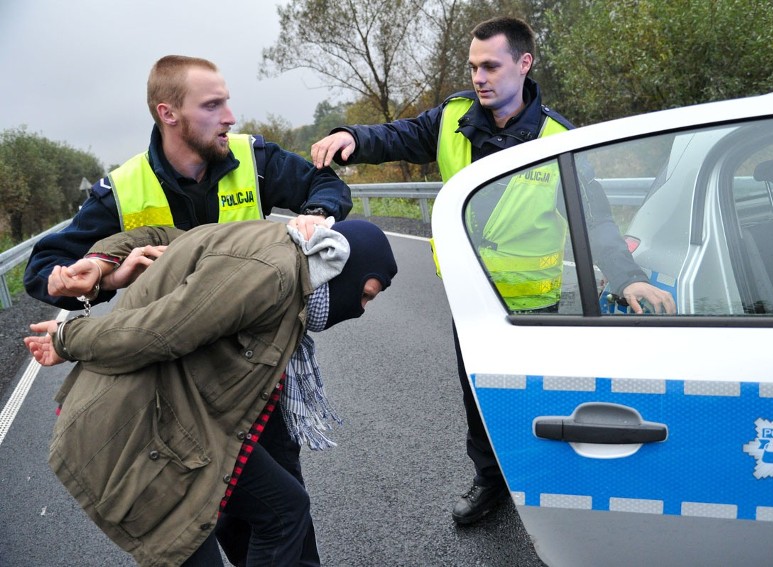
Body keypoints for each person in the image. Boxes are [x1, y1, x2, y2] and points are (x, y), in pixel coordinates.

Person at [311, 17, 676, 525]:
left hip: (535, 305)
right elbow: (396, 136)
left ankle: (550, 488)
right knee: (479, 396)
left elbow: (594, 221)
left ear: (524, 65)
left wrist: (627, 276)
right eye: (473, 67)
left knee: (541, 398)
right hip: (471, 300)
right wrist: (351, 136)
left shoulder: (556, 138)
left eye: (490, 66)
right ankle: (490, 483)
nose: (479, 76)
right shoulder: (453, 118)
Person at [24, 218, 398, 566]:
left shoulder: (279, 252)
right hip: (137, 428)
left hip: (187, 419)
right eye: (364, 295)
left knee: (285, 509)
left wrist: (104, 261)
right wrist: (67, 336)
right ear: (338, 262)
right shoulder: (272, 274)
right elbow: (156, 334)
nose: (360, 310)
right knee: (190, 537)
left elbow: (169, 238)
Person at [25, 54, 352, 311]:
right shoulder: (122, 189)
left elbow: (325, 184)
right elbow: (44, 268)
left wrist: (318, 213)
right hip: (175, 351)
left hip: (254, 333)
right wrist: (105, 282)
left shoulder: (254, 157)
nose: (230, 117)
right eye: (213, 105)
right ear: (168, 114)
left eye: (226, 101)